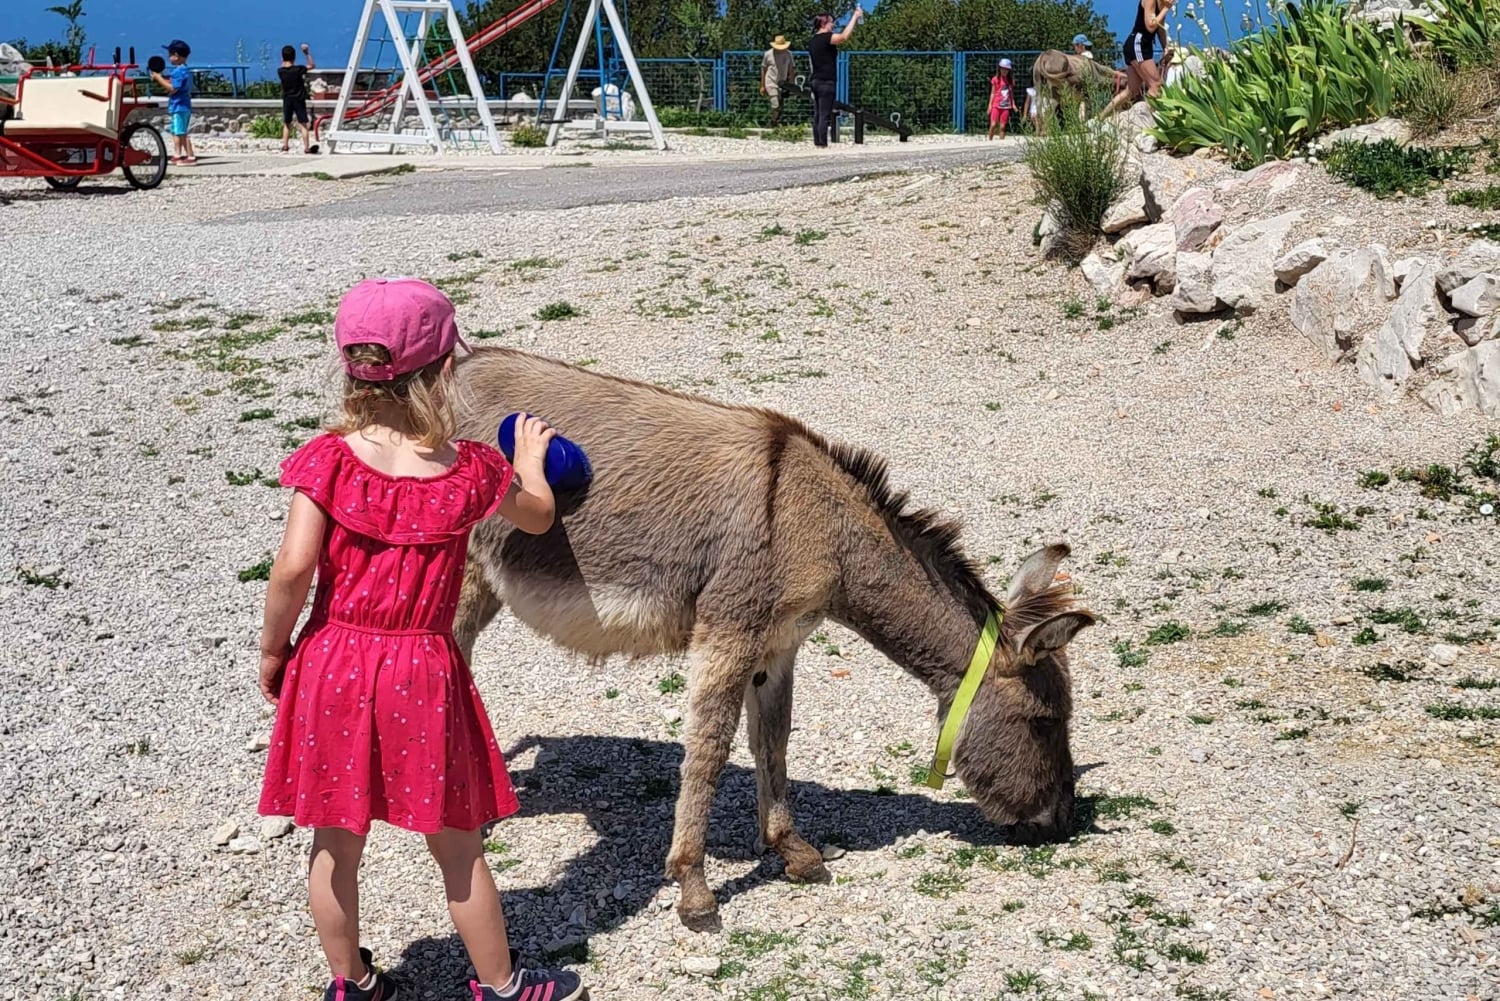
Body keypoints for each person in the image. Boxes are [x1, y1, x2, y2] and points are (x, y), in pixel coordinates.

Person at [256, 277, 586, 1001]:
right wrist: (530, 462)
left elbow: (292, 567)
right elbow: (534, 516)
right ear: (444, 371)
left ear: (352, 369)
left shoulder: (328, 461)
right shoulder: (469, 470)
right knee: (457, 843)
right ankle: (501, 986)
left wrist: (274, 649)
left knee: (334, 843)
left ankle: (351, 984)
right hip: (421, 667)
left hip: (333, 661)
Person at [1103, 0, 1174, 117]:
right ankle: (1148, 121)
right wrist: (1166, 9)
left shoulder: (1162, 4)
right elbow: (1150, 26)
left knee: (1131, 90)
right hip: (1138, 44)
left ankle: (1100, 118)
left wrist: (1165, 46)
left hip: (1141, 45)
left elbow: (1160, 27)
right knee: (1156, 85)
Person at [808, 7, 863, 148]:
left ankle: (817, 142)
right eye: (831, 22)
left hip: (815, 80)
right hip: (827, 81)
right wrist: (855, 17)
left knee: (818, 113)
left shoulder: (813, 41)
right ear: (823, 23)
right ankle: (822, 144)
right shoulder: (826, 38)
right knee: (825, 113)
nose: (833, 25)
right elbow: (844, 37)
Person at [151, 39, 196, 165]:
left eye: (170, 54)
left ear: (176, 56)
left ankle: (179, 155)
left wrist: (158, 77)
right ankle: (189, 156)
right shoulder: (185, 70)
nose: (169, 57)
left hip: (179, 106)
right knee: (181, 131)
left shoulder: (178, 71)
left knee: (178, 132)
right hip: (183, 105)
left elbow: (172, 88)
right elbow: (174, 84)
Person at [278, 43, 319, 154]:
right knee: (303, 124)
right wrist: (306, 53)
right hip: (299, 99)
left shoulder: (280, 71)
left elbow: (283, 64)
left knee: (287, 123)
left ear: (282, 57)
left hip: (287, 99)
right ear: (294, 57)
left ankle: (285, 145)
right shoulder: (298, 69)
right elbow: (312, 65)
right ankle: (306, 147)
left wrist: (285, 58)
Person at [761, 35, 795, 128]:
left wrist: (791, 84)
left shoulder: (788, 54)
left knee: (780, 105)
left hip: (782, 83)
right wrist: (762, 85)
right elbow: (764, 69)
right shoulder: (768, 54)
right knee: (775, 103)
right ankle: (773, 122)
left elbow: (791, 70)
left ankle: (774, 121)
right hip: (770, 82)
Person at [988, 58, 1016, 141]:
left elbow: (1011, 94)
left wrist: (1013, 104)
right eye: (1003, 69)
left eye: (1006, 70)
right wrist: (990, 105)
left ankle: (1001, 142)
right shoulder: (995, 79)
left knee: (1003, 126)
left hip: (1006, 106)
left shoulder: (1010, 81)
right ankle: (989, 140)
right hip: (996, 105)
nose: (1004, 71)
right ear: (999, 69)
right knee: (993, 124)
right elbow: (992, 93)